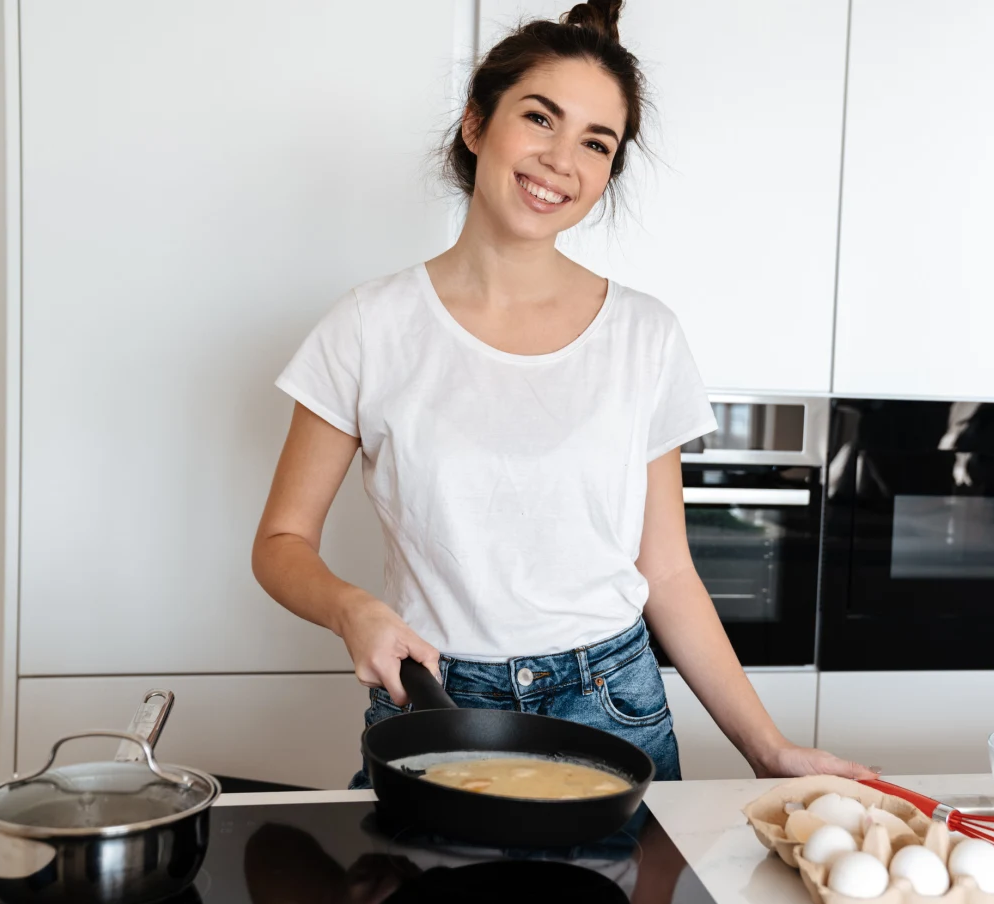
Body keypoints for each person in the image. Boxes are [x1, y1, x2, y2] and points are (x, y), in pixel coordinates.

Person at [253, 0, 874, 786]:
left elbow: (669, 573)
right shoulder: (368, 327)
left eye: (595, 142)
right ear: (477, 123)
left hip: (612, 705)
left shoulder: (645, 336)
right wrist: (354, 608)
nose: (560, 160)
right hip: (436, 699)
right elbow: (280, 543)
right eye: (540, 118)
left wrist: (767, 747)